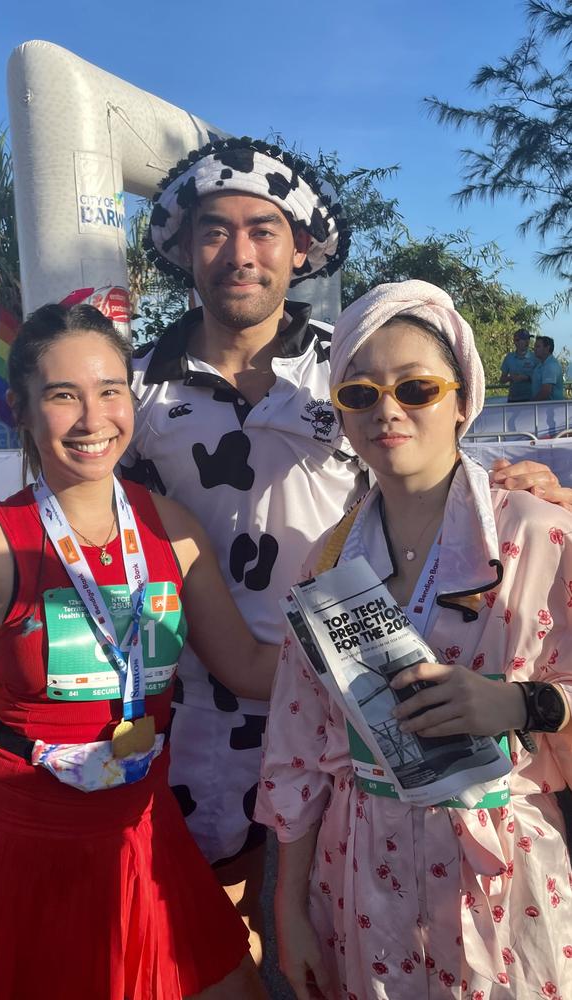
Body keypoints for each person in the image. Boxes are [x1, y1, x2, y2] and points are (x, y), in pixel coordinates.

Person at [0, 139, 569, 962]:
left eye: (263, 230)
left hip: (360, 712)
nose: (240, 253)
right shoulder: (140, 386)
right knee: (199, 944)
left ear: (300, 247)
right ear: (182, 248)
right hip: (184, 721)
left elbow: (422, 464)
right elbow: (77, 489)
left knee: (340, 936)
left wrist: (523, 484)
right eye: (214, 231)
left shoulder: (348, 364)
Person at [0, 303, 273, 1000]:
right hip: (21, 849)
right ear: (19, 410)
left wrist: (384, 638)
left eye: (111, 390)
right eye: (63, 396)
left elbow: (250, 669)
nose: (93, 418)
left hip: (144, 833)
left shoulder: (171, 528)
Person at [257, 280, 572, 999]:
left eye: (418, 388)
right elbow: (298, 749)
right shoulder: (328, 562)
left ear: (463, 400)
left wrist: (521, 704)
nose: (388, 411)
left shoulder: (540, 533)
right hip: (360, 877)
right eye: (360, 394)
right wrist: (290, 905)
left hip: (502, 878)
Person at [499, 328, 535, 402]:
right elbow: (502, 380)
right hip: (513, 400)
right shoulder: (509, 358)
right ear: (516, 342)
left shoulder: (535, 358)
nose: (528, 341)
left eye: (528, 339)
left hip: (531, 399)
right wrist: (511, 378)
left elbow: (541, 379)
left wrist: (527, 378)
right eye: (524, 339)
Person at [532, 335, 566, 401]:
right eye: (535, 346)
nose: (534, 349)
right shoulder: (541, 364)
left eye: (538, 347)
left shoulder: (550, 366)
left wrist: (530, 405)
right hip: (542, 407)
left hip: (549, 408)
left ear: (547, 348)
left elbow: (546, 392)